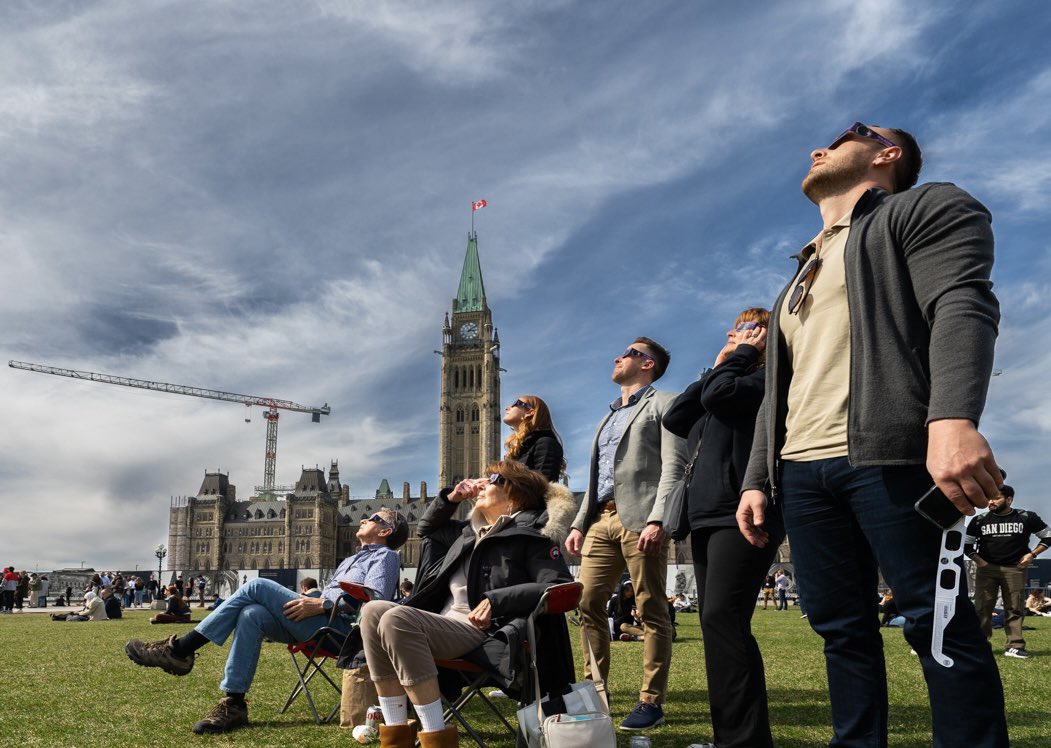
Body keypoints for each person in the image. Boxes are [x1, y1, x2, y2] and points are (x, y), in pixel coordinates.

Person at [737, 121, 1009, 746]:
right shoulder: (800, 272)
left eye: (847, 134)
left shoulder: (923, 206)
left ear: (887, 155)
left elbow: (962, 304)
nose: (819, 146)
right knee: (839, 629)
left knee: (934, 621)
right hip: (803, 469)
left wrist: (952, 420)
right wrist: (758, 478)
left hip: (890, 455)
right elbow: (779, 393)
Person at [125, 508, 407, 735]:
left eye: (373, 518)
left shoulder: (386, 556)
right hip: (319, 622)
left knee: (257, 585)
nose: (363, 519)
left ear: (385, 531)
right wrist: (316, 600)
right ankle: (234, 703)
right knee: (252, 615)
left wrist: (321, 603)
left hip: (345, 633)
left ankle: (181, 649)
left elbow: (376, 601)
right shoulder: (351, 560)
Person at [356, 460, 575, 748]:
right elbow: (426, 527)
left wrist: (496, 601)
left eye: (494, 479)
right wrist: (452, 497)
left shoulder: (531, 535)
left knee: (396, 619)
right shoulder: (467, 532)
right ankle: (397, 736)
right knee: (373, 611)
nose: (482, 484)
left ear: (515, 494)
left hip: (487, 630)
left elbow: (558, 585)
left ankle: (436, 737)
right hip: (444, 622)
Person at [663, 307, 783, 748]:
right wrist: (719, 364)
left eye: (751, 329)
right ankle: (731, 736)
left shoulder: (767, 377)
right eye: (736, 329)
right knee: (720, 626)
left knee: (722, 618)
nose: (739, 335)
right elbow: (676, 417)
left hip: (744, 509)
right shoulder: (724, 379)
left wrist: (740, 358)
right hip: (706, 513)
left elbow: (720, 398)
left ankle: (744, 740)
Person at [566, 337, 687, 731]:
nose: (619, 356)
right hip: (600, 519)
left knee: (652, 608)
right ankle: (593, 694)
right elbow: (597, 476)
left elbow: (674, 465)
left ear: (647, 364)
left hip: (641, 518)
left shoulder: (664, 403)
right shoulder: (607, 417)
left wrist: (658, 519)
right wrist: (578, 523)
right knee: (586, 603)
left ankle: (650, 701)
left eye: (630, 353)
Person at [965, 484, 1050, 659]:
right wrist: (980, 562)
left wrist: (1032, 555)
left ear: (1009, 499)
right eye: (989, 498)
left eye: (996, 498)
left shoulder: (1026, 517)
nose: (991, 502)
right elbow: (966, 545)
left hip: (1015, 569)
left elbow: (1048, 536)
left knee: (1015, 607)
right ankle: (981, 645)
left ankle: (1015, 646)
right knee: (982, 607)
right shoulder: (980, 520)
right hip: (986, 569)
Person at [502, 395, 565, 482]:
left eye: (515, 404)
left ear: (529, 412)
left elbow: (545, 487)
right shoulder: (518, 450)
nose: (507, 408)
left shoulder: (545, 443)